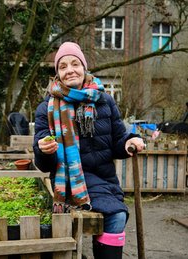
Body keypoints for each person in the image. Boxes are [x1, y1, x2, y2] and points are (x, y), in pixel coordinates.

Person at [33, 42, 145, 259]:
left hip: (104, 179)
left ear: (84, 67)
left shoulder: (104, 100)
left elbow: (117, 140)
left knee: (116, 215)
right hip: (68, 182)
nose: (70, 70)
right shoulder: (46, 108)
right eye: (63, 66)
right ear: (57, 73)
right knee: (117, 214)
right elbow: (43, 165)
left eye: (75, 63)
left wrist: (130, 142)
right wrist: (43, 150)